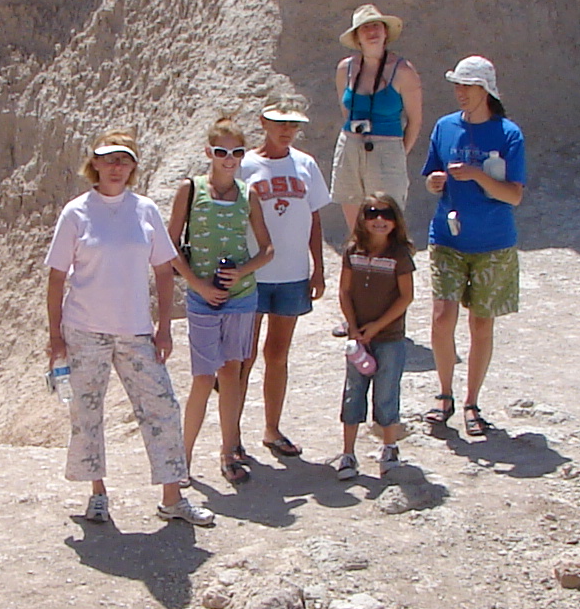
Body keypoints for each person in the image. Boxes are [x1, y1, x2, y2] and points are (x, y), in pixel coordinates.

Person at [46, 131, 215, 527]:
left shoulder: (145, 210)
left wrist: (164, 327)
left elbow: (163, 269)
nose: (116, 167)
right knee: (86, 413)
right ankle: (98, 494)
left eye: (124, 160)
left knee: (162, 408)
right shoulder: (76, 212)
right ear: (96, 164)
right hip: (84, 329)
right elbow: (56, 277)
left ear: (133, 166)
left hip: (136, 330)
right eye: (109, 160)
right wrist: (55, 338)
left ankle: (172, 497)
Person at [421, 54, 526, 440]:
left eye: (467, 85)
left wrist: (478, 175)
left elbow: (514, 195)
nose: (460, 92)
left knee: (481, 323)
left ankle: (471, 402)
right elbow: (432, 174)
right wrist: (434, 182)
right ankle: (444, 394)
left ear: (486, 90)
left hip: (493, 241)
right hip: (447, 236)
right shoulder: (445, 127)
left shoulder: (508, 134)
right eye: (457, 85)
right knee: (441, 317)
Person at [168, 118, 275, 489]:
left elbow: (267, 249)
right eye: (221, 152)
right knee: (202, 377)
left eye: (236, 152)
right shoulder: (191, 190)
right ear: (209, 153)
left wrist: (241, 272)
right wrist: (199, 283)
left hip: (241, 297)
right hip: (201, 298)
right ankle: (183, 458)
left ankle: (229, 452)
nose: (229, 159)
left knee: (232, 374)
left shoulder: (250, 194)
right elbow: (170, 248)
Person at [238, 101, 331, 460]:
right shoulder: (246, 165)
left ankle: (272, 429)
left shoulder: (305, 164)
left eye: (293, 124)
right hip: (254, 273)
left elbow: (314, 218)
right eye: (279, 123)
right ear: (263, 122)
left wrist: (318, 268)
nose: (287, 130)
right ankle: (232, 438)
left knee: (278, 354)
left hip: (292, 274)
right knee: (243, 356)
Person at [332, 194, 416, 478]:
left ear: (395, 221)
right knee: (353, 393)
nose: (379, 220)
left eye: (386, 214)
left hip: (389, 337)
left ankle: (389, 447)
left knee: (387, 393)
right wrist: (354, 328)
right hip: (359, 339)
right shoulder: (352, 251)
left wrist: (377, 327)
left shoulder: (399, 255)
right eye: (372, 213)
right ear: (362, 218)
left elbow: (406, 297)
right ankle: (348, 453)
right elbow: (344, 291)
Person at [331, 5, 424, 242]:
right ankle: (359, 272)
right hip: (350, 146)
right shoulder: (346, 69)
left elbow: (414, 121)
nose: (371, 32)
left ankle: (390, 276)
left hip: (387, 148)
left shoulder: (403, 71)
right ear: (357, 37)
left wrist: (398, 153)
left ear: (385, 32)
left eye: (376, 26)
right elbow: (346, 109)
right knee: (355, 226)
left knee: (386, 225)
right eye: (365, 28)